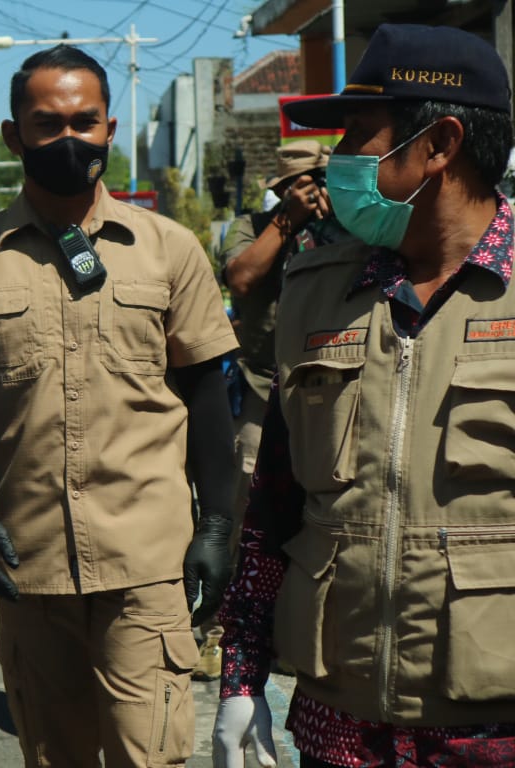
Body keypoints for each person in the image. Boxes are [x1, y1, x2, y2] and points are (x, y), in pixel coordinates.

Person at [0, 44, 239, 766]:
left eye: (85, 122)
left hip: (149, 562)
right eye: (47, 122)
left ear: (110, 129)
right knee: (54, 756)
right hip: (30, 565)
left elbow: (208, 397)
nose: (69, 139)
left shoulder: (169, 250)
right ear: (13, 135)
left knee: (148, 756)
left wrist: (219, 524)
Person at [213, 23, 515, 768]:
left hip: (493, 732)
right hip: (338, 726)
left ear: (438, 145)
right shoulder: (318, 290)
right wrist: (240, 678)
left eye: (358, 135)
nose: (339, 158)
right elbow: (274, 506)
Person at [194, 140, 344, 681]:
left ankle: (296, 631)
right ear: (281, 189)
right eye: (305, 183)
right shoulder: (250, 225)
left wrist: (333, 221)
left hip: (329, 390)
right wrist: (287, 219)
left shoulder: (344, 227)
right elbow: (241, 278)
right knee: (241, 511)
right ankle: (214, 631)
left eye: (322, 182)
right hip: (262, 387)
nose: (316, 192)